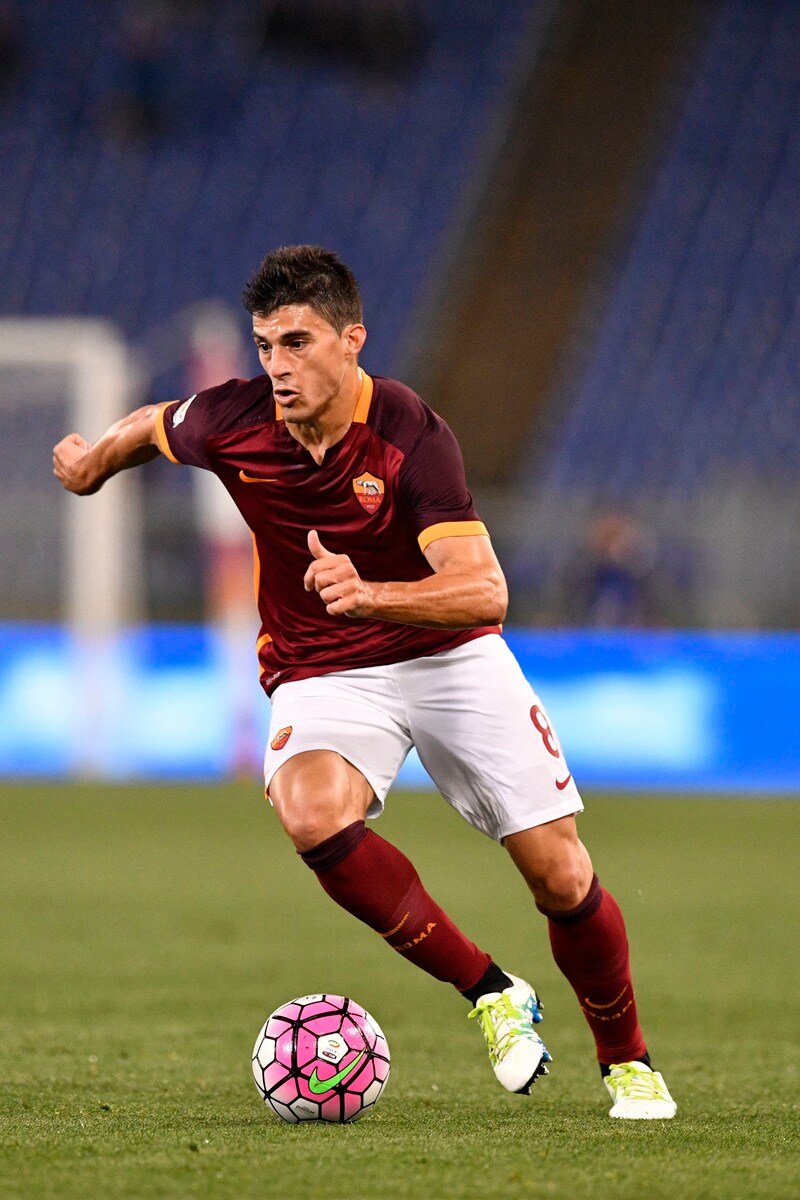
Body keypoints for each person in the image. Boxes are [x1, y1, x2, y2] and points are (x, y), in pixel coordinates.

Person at [53, 244, 676, 1119]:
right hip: (323, 666)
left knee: (560, 876)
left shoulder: (412, 434)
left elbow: (485, 590)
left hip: (448, 653)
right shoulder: (232, 420)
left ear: (352, 340)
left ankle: (628, 1062)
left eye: (297, 343)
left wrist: (370, 592)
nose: (277, 366)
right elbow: (154, 424)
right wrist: (93, 466)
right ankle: (492, 991)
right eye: (265, 345)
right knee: (310, 813)